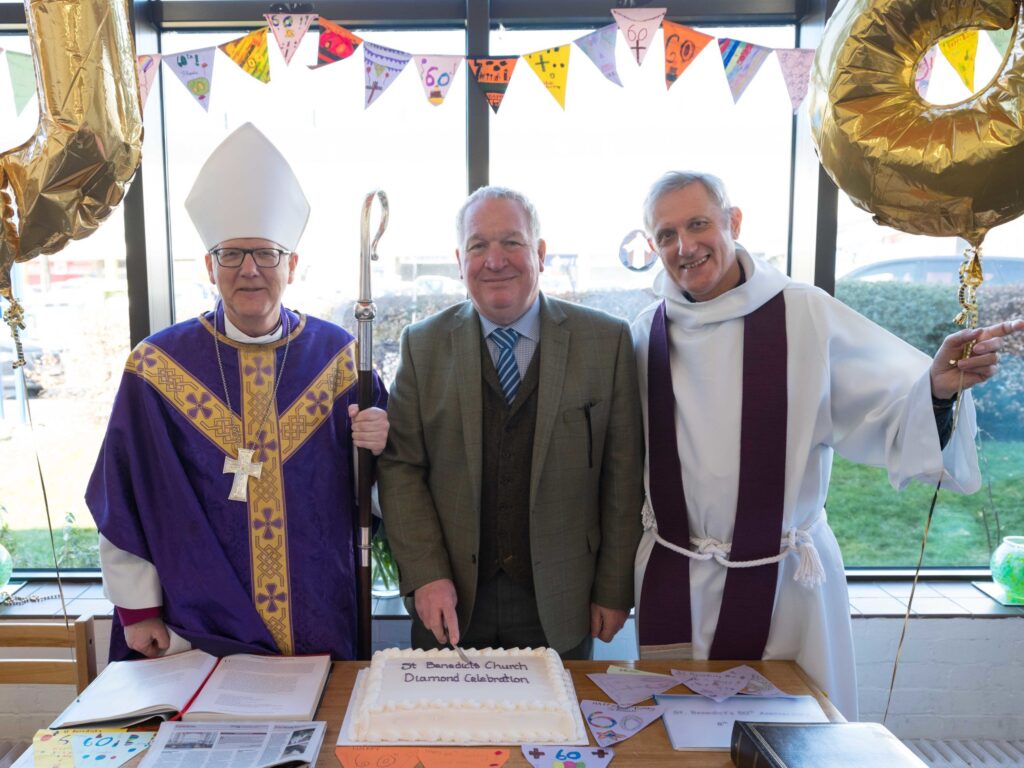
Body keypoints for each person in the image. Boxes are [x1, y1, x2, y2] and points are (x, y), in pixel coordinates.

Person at [632, 170, 1024, 720]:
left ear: (733, 221)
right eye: (666, 234)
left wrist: (936, 388)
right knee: (671, 735)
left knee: (792, 734)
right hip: (676, 577)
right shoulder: (646, 330)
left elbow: (889, 403)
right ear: (652, 246)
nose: (685, 246)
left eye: (698, 224)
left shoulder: (803, 314)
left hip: (785, 581)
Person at [88, 123, 389, 661]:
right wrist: (137, 610)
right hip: (196, 628)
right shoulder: (156, 369)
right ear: (209, 266)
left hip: (318, 614)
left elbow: (385, 490)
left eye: (267, 253)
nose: (249, 270)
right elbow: (123, 490)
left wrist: (381, 444)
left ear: (291, 266)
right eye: (231, 254)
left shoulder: (342, 360)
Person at [378, 186, 643, 658]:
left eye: (512, 243)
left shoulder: (607, 342)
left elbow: (621, 479)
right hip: (451, 601)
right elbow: (401, 469)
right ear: (461, 260)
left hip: (564, 602)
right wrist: (425, 573)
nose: (494, 260)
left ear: (540, 253)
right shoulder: (423, 345)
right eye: (479, 245)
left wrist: (614, 586)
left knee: (556, 729)